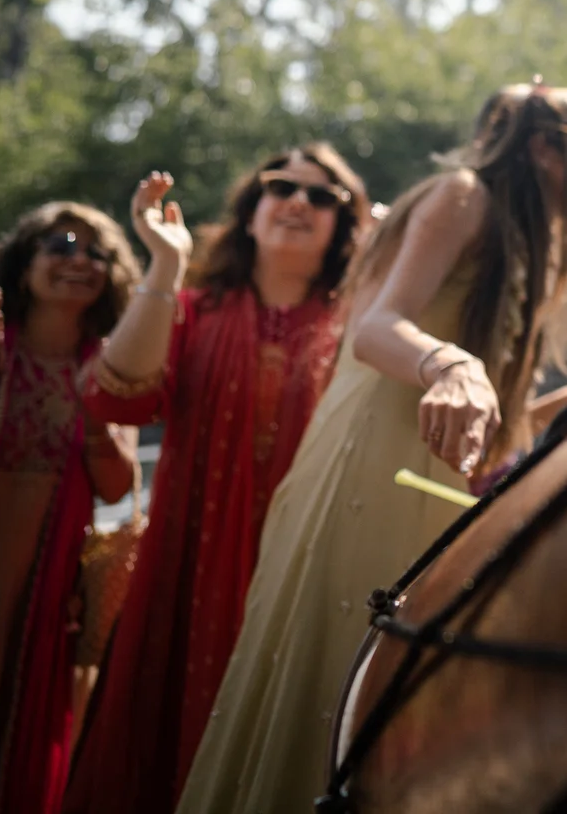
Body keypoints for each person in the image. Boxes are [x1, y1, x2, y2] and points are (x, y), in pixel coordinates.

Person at [175, 84, 567, 814]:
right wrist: (452, 365)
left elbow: (488, 426)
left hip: (428, 496)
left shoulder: (527, 253)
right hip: (370, 478)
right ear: (544, 148)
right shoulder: (462, 195)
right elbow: (377, 328)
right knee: (338, 707)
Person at [65, 147, 368, 814]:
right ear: (251, 211)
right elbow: (117, 396)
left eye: (322, 198)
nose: (297, 203)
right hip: (186, 574)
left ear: (346, 226)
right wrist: (165, 266)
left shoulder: (359, 332)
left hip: (305, 578)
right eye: (281, 187)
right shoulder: (194, 309)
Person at [0, 203, 140, 814]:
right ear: (24, 266)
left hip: (48, 576)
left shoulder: (110, 365)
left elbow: (115, 488)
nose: (78, 260)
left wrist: (96, 413)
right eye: (60, 245)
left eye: (95, 252)